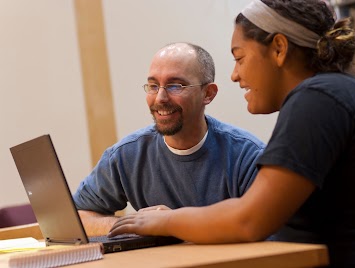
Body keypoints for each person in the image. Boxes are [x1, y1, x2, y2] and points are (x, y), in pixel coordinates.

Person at [108, 1, 355, 267]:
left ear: (279, 49)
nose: (235, 74)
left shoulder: (318, 97)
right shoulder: (334, 91)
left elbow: (248, 220)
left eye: (240, 57)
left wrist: (163, 220)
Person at [73, 42, 266, 237]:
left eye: (175, 85)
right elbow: (77, 218)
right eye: (153, 86)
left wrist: (170, 225)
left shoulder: (247, 156)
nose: (160, 98)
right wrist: (135, 225)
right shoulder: (127, 155)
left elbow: (264, 235)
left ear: (208, 94)